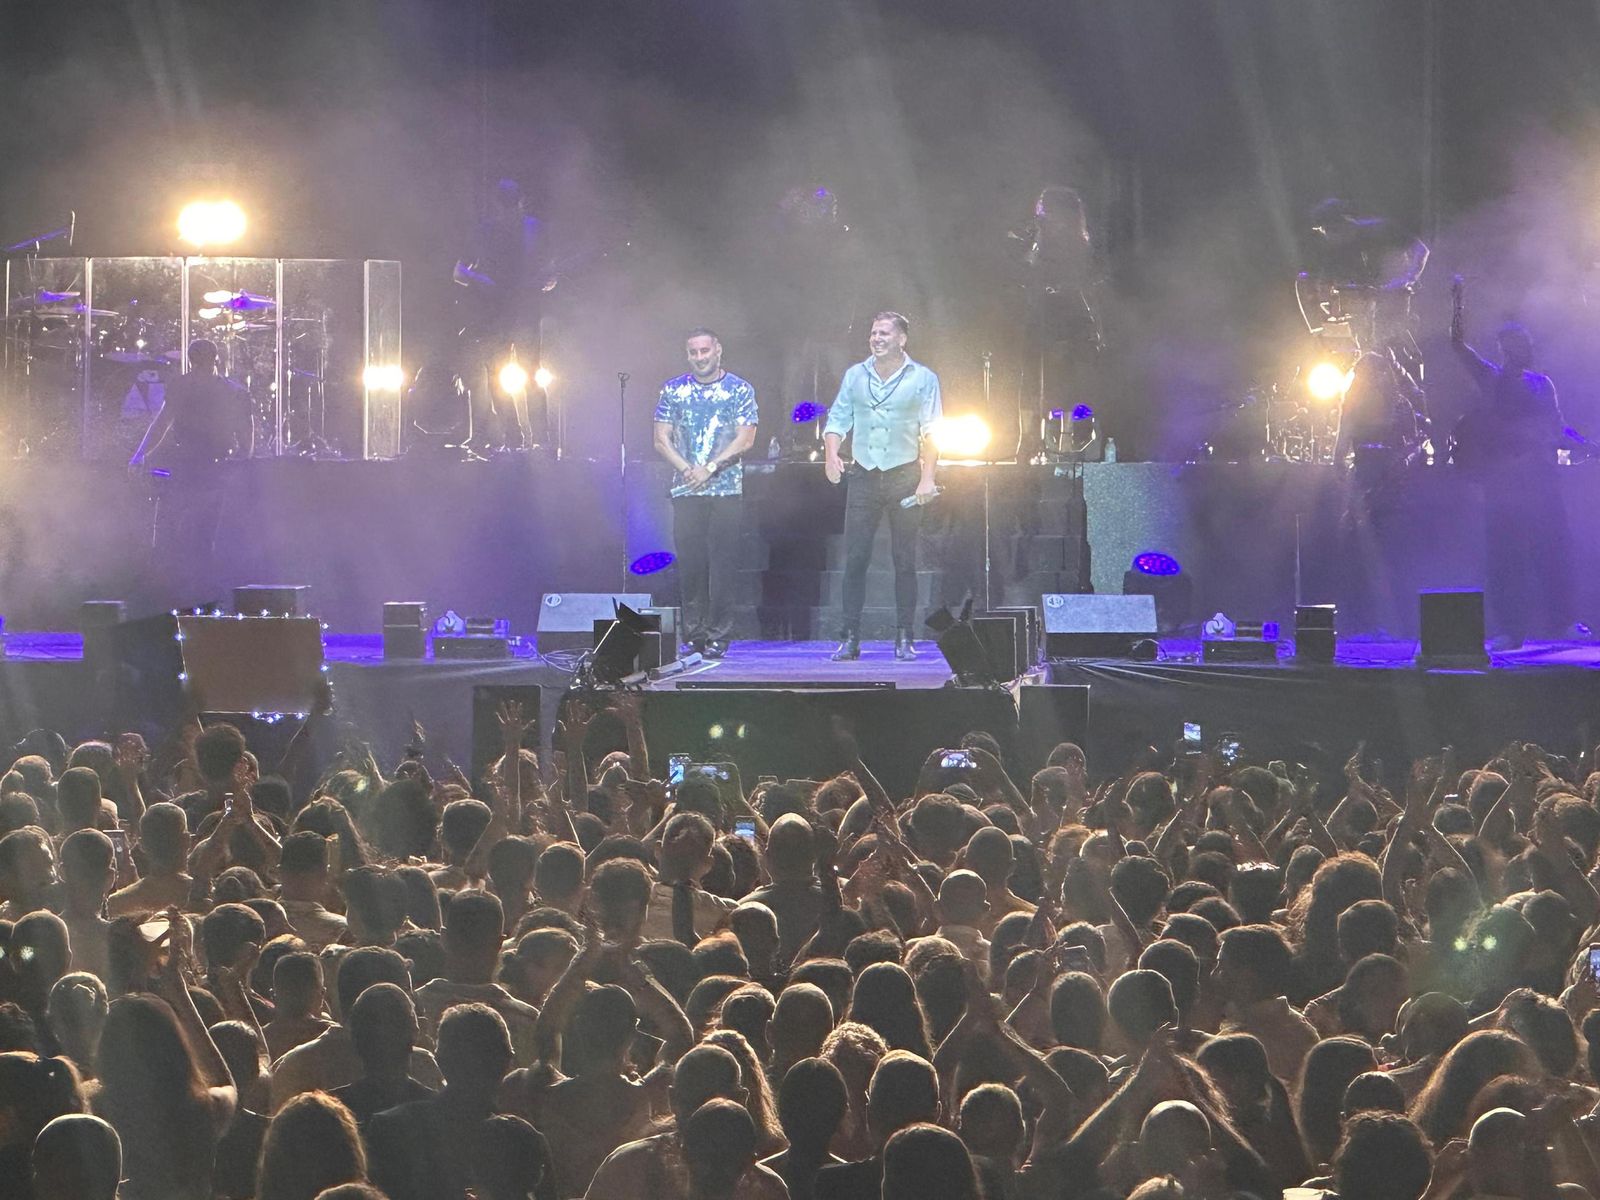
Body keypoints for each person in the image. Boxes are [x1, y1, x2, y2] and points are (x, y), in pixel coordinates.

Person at [1449, 278, 1574, 647]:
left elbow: (1558, 427)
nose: (1527, 348)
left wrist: (1589, 445)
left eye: (1528, 343)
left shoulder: (1543, 383)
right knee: (1506, 558)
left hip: (1541, 483)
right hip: (1503, 486)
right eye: (1518, 343)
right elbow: (1457, 345)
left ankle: (1562, 623)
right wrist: (1458, 303)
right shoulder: (1491, 377)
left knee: (1553, 550)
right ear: (1505, 348)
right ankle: (1510, 630)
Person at [823, 312, 941, 661]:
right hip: (864, 475)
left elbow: (932, 431)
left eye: (884, 333)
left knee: (904, 559)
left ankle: (905, 636)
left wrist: (928, 476)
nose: (877, 338)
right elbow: (837, 418)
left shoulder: (923, 378)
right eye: (873, 333)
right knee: (856, 558)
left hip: (904, 473)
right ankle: (850, 637)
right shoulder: (855, 376)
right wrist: (831, 455)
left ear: (902, 339)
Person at [652, 327, 759, 660]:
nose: (700, 357)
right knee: (692, 565)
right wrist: (687, 469)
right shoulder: (673, 390)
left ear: (718, 351)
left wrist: (710, 467)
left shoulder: (739, 389)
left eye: (705, 351)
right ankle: (694, 634)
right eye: (693, 352)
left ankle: (719, 635)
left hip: (725, 489)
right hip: (686, 490)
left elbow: (747, 438)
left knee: (722, 565)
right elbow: (660, 439)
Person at [128, 339, 253, 469]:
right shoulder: (182, 387)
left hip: (213, 464)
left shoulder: (234, 393)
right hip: (191, 464)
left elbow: (246, 442)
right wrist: (140, 455)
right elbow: (161, 423)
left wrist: (234, 469)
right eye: (199, 364)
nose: (201, 369)